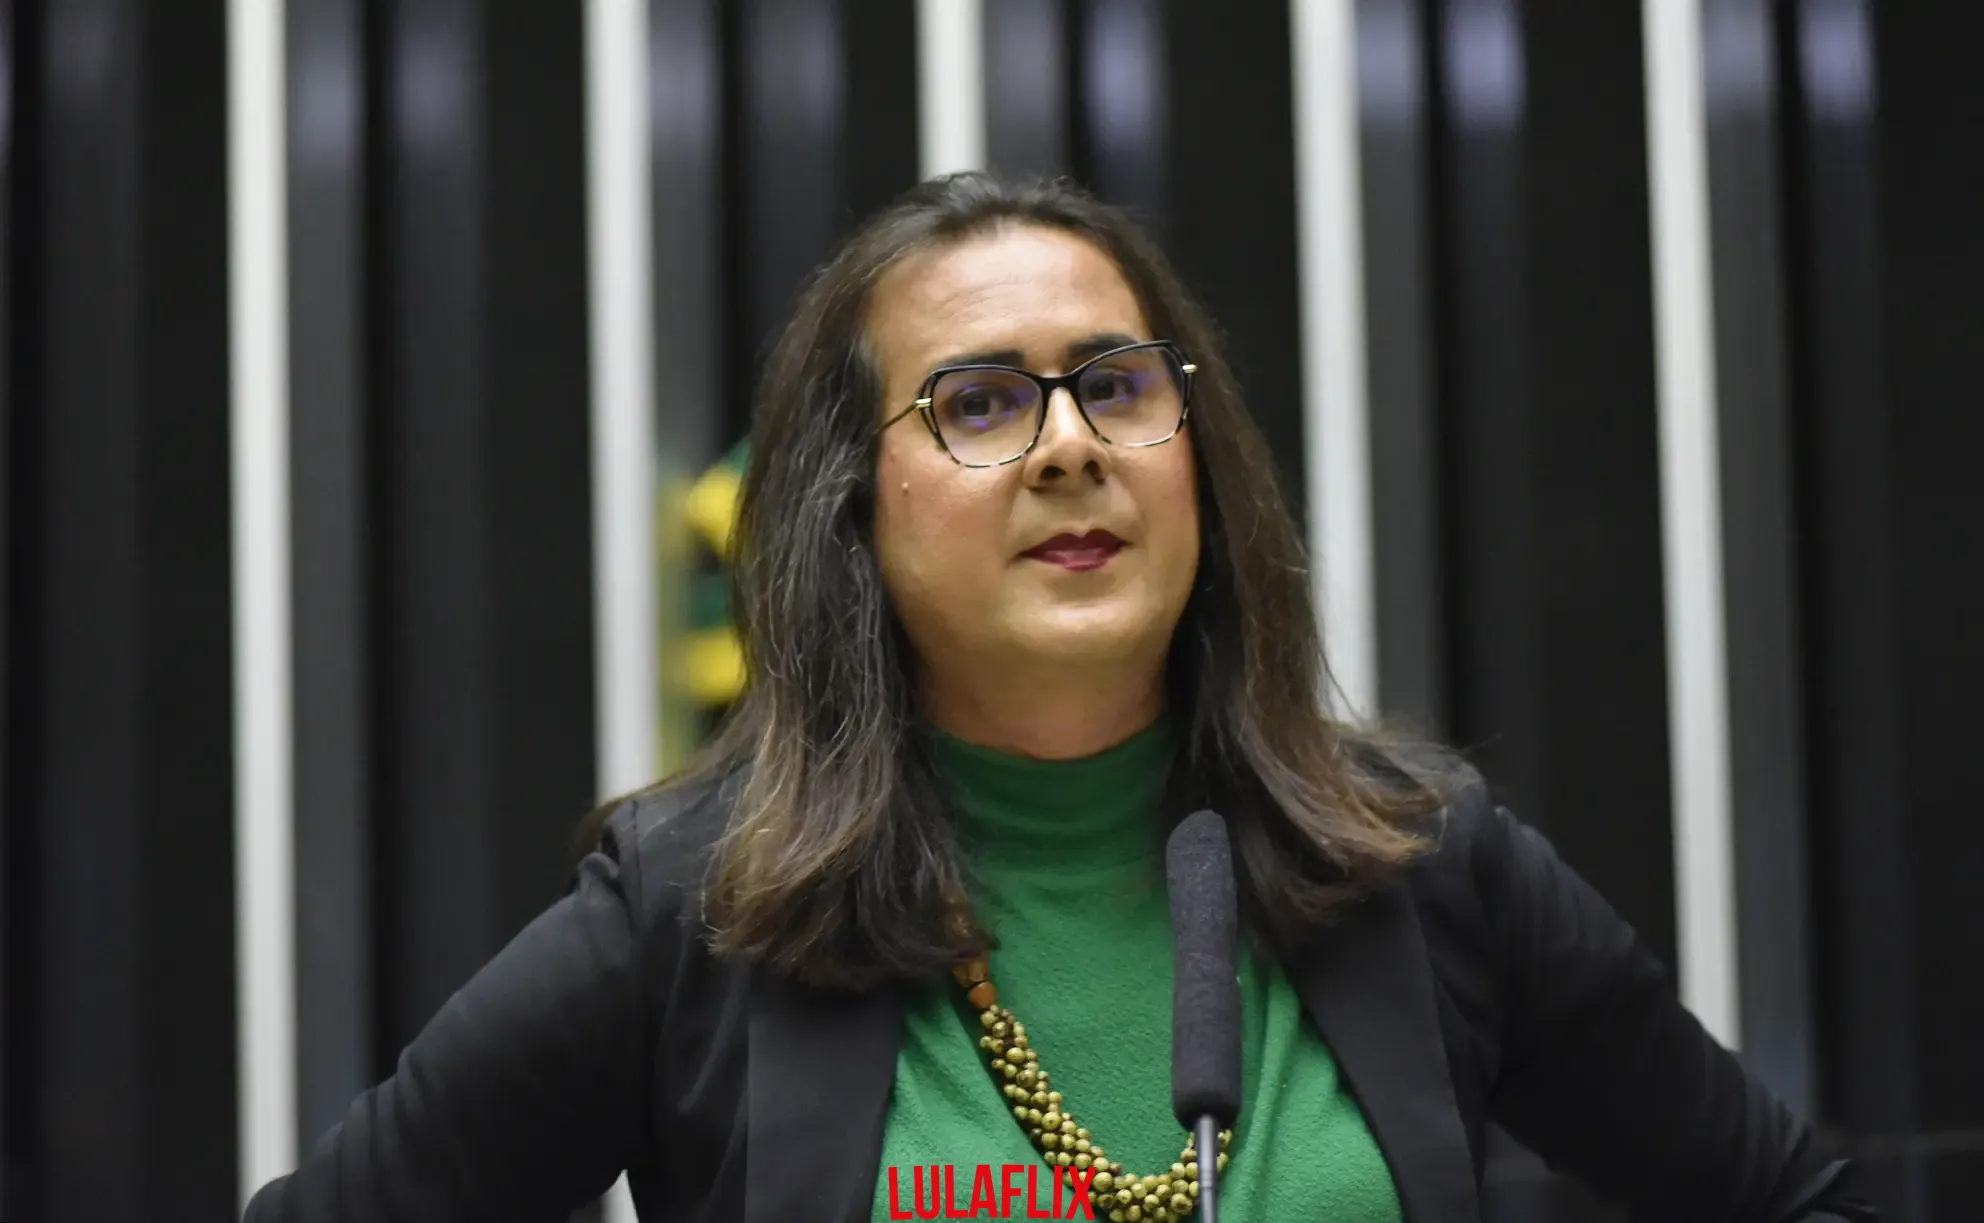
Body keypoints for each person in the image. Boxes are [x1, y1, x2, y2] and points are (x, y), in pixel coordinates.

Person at [244, 173, 1876, 1223]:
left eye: (1113, 383)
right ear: (853, 510)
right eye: (977, 404)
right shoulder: (693, 910)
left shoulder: (1421, 862)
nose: (1071, 445)